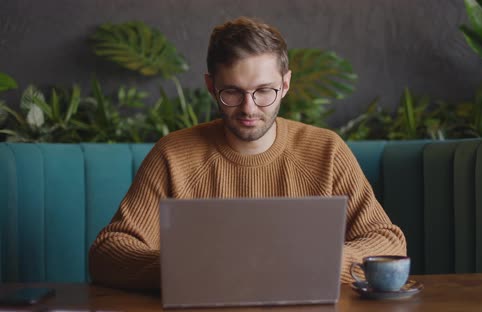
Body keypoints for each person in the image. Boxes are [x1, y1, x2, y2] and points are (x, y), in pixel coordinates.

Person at [88, 16, 406, 290]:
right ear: (211, 86)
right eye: (233, 92)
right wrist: (187, 269)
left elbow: (388, 242)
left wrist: (321, 261)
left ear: (285, 84)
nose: (248, 108)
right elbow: (107, 253)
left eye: (264, 91)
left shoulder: (326, 151)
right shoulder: (173, 155)